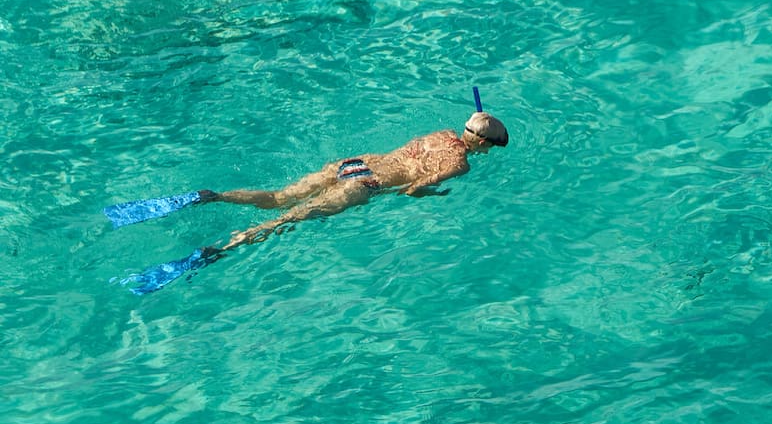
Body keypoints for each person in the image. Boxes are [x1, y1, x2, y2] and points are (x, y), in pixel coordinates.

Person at [108, 99, 509, 294]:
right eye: (494, 145)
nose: (491, 150)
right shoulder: (460, 163)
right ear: (484, 144)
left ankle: (210, 196)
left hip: (355, 164)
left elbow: (409, 162)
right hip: (366, 185)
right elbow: (411, 189)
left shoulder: (439, 134)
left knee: (279, 196)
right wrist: (434, 195)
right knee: (281, 222)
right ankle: (213, 252)